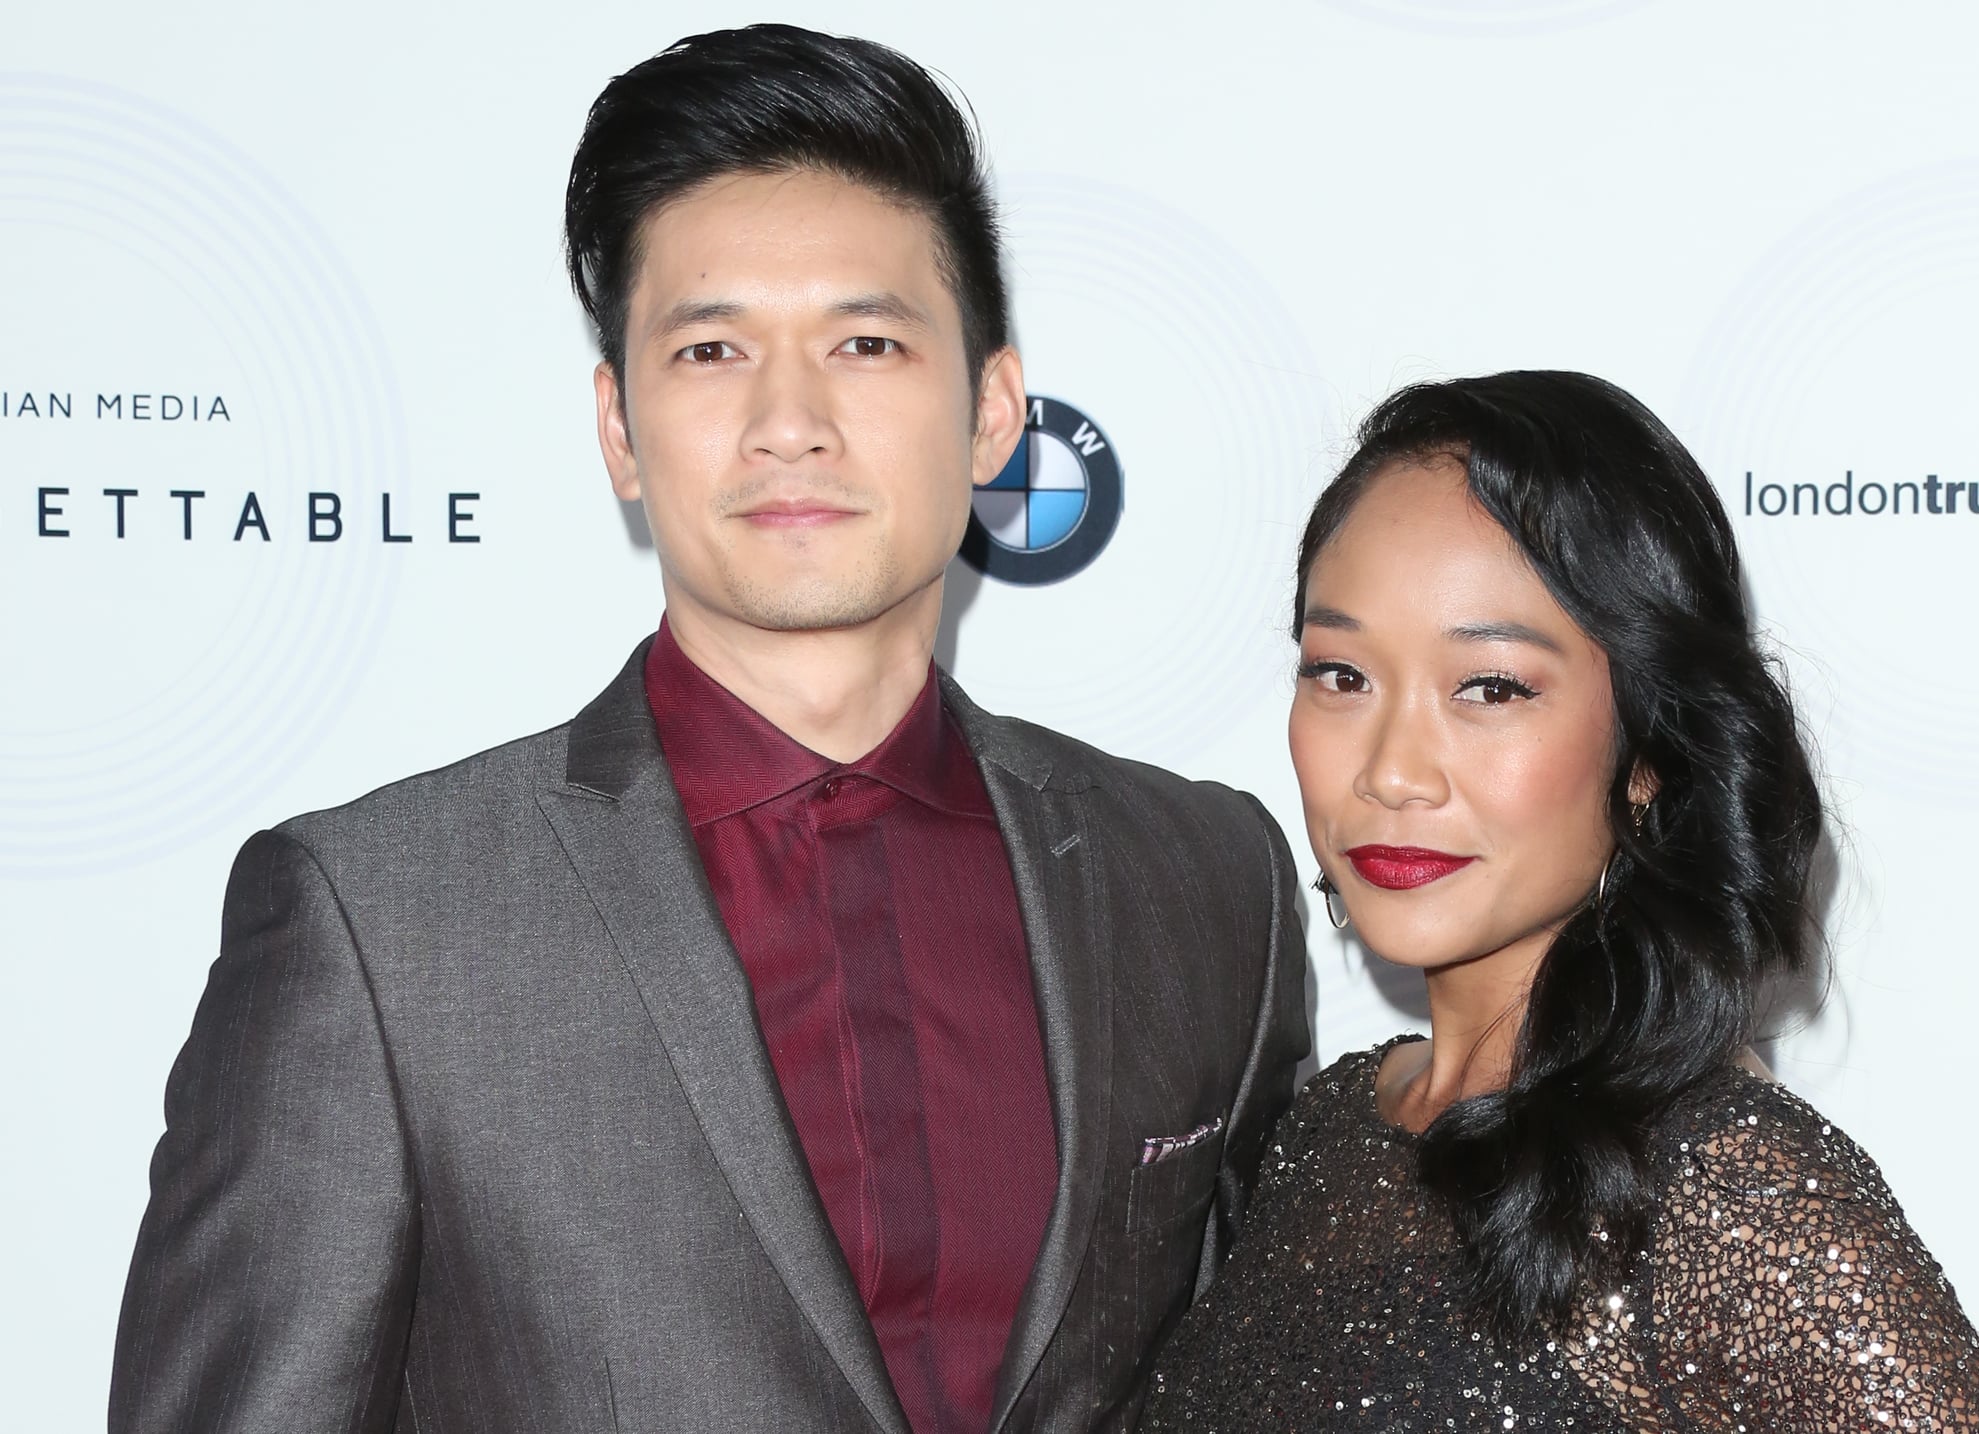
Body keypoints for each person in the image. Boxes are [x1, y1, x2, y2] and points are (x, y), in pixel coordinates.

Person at [110, 25, 1307, 1434]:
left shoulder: (1205, 878)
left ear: (992, 411)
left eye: (865, 343)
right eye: (712, 349)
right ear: (620, 426)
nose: (788, 421)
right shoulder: (381, 925)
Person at [1142, 371, 1979, 1431]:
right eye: (1341, 675)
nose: (1390, 772)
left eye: (1489, 687)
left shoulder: (1717, 1186)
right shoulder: (1326, 1132)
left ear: (1647, 756)